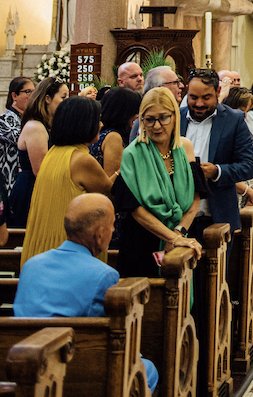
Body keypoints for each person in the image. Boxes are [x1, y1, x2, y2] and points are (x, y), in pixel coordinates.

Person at [13, 195, 159, 395]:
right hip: (74, 369)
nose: (113, 230)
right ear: (99, 233)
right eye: (112, 225)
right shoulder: (105, 275)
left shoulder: (31, 265)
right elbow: (106, 338)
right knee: (148, 370)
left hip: (21, 362)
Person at [113, 87, 202, 278]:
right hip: (141, 243)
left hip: (181, 237)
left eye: (163, 118)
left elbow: (196, 198)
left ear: (175, 117)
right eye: (149, 119)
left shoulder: (185, 147)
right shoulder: (132, 154)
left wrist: (178, 232)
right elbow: (135, 209)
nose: (156, 125)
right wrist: (171, 238)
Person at [21, 97, 113, 265]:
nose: (100, 124)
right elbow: (110, 192)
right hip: (69, 252)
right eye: (97, 119)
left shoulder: (53, 152)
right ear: (84, 124)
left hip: (44, 249)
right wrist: (125, 167)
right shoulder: (81, 160)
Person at [180, 68, 253, 240]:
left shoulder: (233, 120)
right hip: (179, 218)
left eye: (206, 97)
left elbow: (248, 166)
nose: (199, 103)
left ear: (218, 91)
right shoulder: (176, 118)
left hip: (217, 217)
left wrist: (217, 171)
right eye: (193, 97)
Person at [8, 77, 68, 228]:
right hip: (32, 190)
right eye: (63, 97)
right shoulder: (35, 127)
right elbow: (41, 170)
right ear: (47, 98)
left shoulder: (49, 126)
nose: (66, 102)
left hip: (44, 189)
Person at [223, 87, 253, 209]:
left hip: (249, 196)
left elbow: (252, 164)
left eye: (247, 111)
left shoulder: (243, 129)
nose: (245, 116)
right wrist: (248, 192)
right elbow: (224, 171)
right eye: (241, 110)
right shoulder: (224, 132)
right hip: (233, 196)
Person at [89, 87, 141, 177]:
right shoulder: (112, 137)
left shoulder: (99, 133)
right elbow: (113, 180)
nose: (137, 116)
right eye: (134, 111)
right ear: (123, 113)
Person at [0, 76, 33, 201]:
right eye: (28, 92)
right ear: (14, 96)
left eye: (34, 92)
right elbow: (20, 139)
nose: (32, 96)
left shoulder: (28, 120)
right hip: (9, 183)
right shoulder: (4, 120)